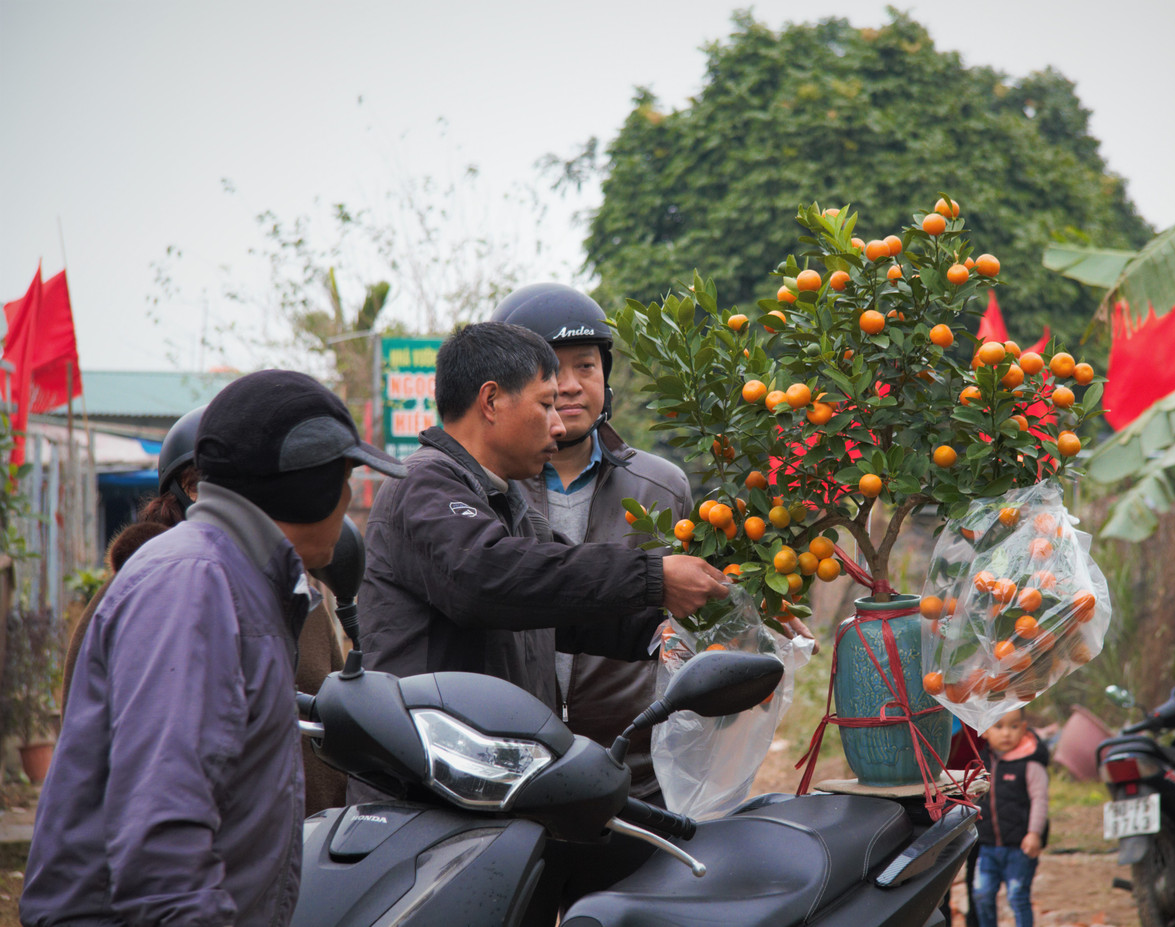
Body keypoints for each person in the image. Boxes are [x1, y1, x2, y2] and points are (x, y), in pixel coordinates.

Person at [21, 370, 407, 927]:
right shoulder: (194, 586)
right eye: (343, 478)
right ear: (307, 484)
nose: (348, 499)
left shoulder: (246, 580)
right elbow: (163, 841)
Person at [357, 319, 730, 713]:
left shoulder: (512, 507)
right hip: (429, 747)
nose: (558, 426)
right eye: (546, 404)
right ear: (491, 401)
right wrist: (653, 577)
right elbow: (490, 576)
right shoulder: (423, 484)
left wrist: (686, 628)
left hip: (502, 747)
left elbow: (573, 608)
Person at [59, 404, 351, 816]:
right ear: (188, 490)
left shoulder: (296, 594)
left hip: (303, 844)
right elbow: (154, 787)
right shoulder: (145, 594)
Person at [495, 283, 692, 800]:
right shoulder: (489, 490)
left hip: (633, 769)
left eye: (585, 366)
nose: (569, 386)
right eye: (548, 370)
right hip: (511, 763)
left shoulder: (662, 486)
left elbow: (684, 621)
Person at [972, 708, 1050, 927]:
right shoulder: (982, 763)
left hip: (1020, 848)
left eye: (1014, 726)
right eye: (998, 726)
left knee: (1017, 897)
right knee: (981, 894)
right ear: (985, 731)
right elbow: (973, 797)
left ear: (1024, 728)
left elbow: (1040, 799)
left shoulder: (1031, 763)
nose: (1006, 733)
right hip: (987, 847)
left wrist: (1034, 833)